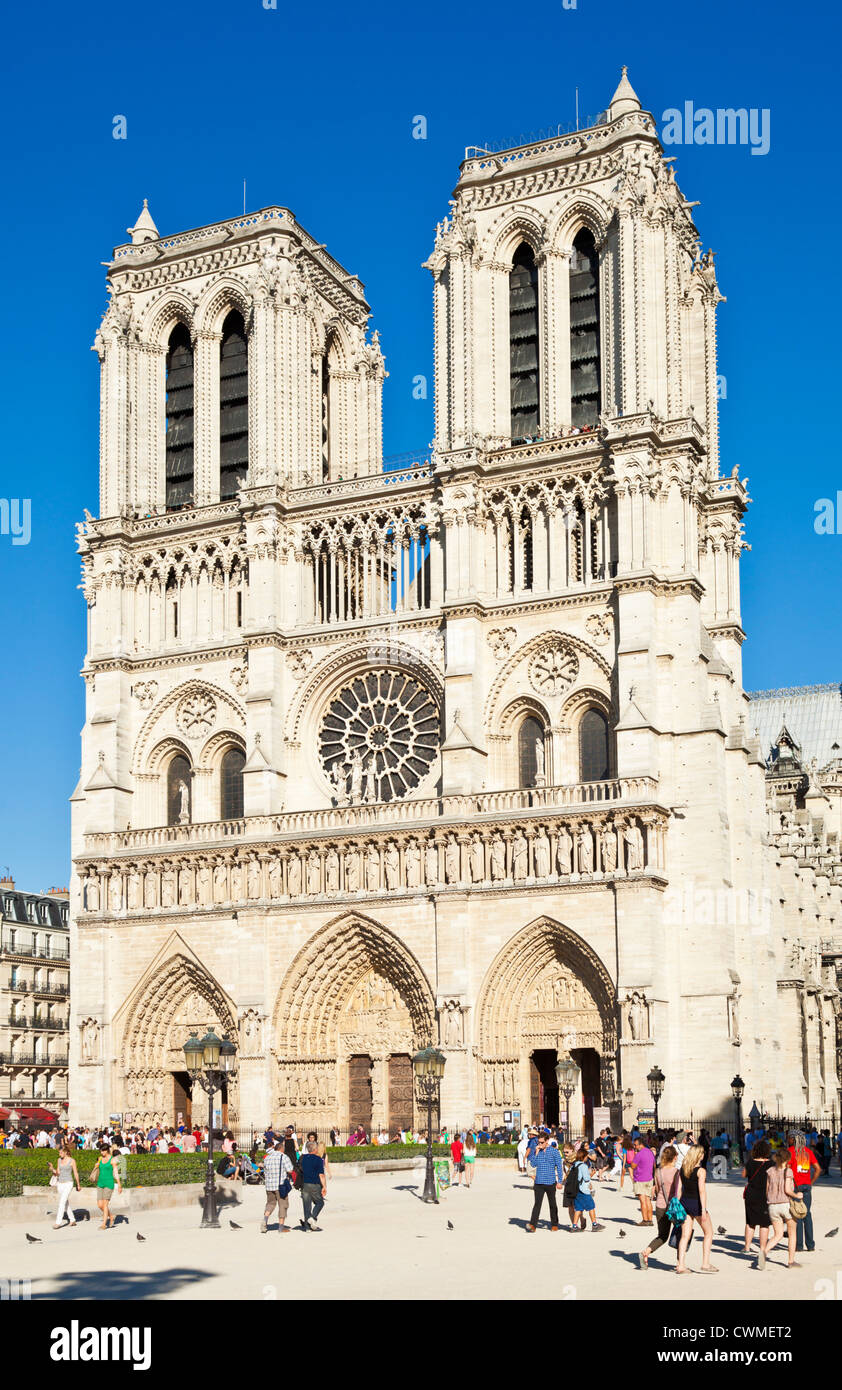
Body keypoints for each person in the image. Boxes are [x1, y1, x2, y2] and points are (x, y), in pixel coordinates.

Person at [675, 1145, 717, 1274]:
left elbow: (678, 1189)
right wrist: (703, 1210)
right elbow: (702, 1191)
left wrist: (677, 1206)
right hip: (696, 1203)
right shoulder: (701, 1171)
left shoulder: (683, 1169)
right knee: (709, 1233)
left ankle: (680, 1265)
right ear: (699, 1155)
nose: (703, 1155)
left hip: (684, 1203)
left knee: (684, 1236)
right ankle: (705, 1263)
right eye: (702, 1153)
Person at [638, 1144, 680, 1270]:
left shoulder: (658, 1171)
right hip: (673, 1207)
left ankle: (646, 1251)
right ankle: (680, 1263)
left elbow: (657, 1189)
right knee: (680, 1235)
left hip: (660, 1206)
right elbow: (678, 1191)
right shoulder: (676, 1172)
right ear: (674, 1158)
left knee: (662, 1235)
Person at [764, 1148, 800, 1268]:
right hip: (785, 1204)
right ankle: (791, 1261)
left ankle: (764, 1251)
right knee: (792, 1233)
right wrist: (797, 1195)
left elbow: (767, 1190)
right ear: (788, 1159)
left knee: (778, 1234)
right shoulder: (788, 1172)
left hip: (772, 1205)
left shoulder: (770, 1171)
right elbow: (787, 1190)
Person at [788, 1131, 821, 1254]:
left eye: (789, 1138)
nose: (788, 1140)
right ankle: (810, 1244)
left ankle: (799, 1245)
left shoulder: (791, 1152)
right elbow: (818, 1169)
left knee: (797, 1215)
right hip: (806, 1185)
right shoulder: (808, 1151)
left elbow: (786, 1169)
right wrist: (811, 1182)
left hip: (795, 1186)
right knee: (807, 1214)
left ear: (793, 1139)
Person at [525, 1131, 565, 1232]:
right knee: (537, 1204)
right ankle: (533, 1225)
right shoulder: (537, 1151)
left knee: (552, 1204)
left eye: (542, 1142)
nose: (540, 1144)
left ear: (547, 1141)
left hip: (550, 1182)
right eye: (538, 1142)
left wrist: (560, 1181)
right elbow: (533, 1164)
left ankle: (554, 1224)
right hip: (538, 1182)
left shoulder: (554, 1152)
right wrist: (536, 1153)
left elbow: (559, 1167)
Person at [742, 1138, 772, 1266]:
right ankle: (762, 1248)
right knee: (764, 1224)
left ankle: (747, 1247)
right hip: (765, 1195)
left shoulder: (750, 1162)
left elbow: (744, 1175)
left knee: (750, 1221)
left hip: (751, 1194)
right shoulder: (771, 1164)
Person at [261, 1137, 294, 1233]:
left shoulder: (267, 1157)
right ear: (282, 1149)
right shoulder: (283, 1157)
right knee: (283, 1205)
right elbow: (290, 1170)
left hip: (269, 1186)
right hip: (280, 1185)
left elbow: (265, 1171)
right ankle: (281, 1227)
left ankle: (265, 1220)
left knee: (270, 1204)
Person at [570, 1145, 605, 1232]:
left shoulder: (574, 1165)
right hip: (583, 1190)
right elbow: (586, 1178)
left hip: (576, 1190)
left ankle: (574, 1226)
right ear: (584, 1157)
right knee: (591, 1207)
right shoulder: (583, 1166)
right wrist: (592, 1174)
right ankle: (594, 1225)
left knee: (578, 1208)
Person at [90, 1142, 122, 1229]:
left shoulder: (112, 1160)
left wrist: (119, 1184)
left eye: (103, 1151)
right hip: (100, 1183)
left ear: (107, 1150)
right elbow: (97, 1168)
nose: (101, 1153)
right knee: (100, 1205)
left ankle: (104, 1224)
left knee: (105, 1204)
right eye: (100, 1151)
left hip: (109, 1183)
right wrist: (96, 1166)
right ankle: (111, 1216)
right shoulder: (100, 1159)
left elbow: (115, 1172)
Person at [49, 1144, 81, 1229]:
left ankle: (58, 1222)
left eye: (61, 1153)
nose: (59, 1154)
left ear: (66, 1152)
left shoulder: (72, 1161)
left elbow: (75, 1173)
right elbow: (58, 1173)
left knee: (62, 1202)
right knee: (65, 1202)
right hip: (60, 1183)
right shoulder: (59, 1160)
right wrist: (52, 1169)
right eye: (59, 1153)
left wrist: (78, 1184)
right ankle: (72, 1219)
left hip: (68, 1183)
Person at [299, 1139, 327, 1231]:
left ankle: (307, 1228)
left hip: (305, 1184)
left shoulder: (303, 1158)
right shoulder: (318, 1159)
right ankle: (312, 1218)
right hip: (315, 1184)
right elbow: (321, 1175)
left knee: (306, 1205)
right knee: (320, 1202)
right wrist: (324, 1187)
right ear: (315, 1149)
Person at [627, 1136, 656, 1226]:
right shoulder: (650, 1152)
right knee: (648, 1199)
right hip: (649, 1178)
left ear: (640, 1145)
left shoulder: (639, 1154)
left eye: (635, 1145)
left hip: (640, 1179)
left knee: (642, 1200)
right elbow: (654, 1165)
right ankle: (650, 1220)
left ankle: (645, 1220)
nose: (634, 1147)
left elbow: (633, 1166)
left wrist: (635, 1156)